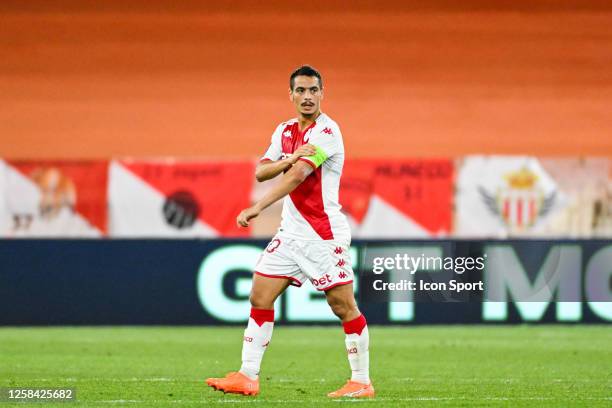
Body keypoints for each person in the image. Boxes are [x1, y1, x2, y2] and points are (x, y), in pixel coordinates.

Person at [206, 65, 374, 398]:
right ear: (291, 95)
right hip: (290, 235)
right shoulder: (283, 131)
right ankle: (247, 375)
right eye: (301, 91)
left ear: (322, 94)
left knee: (343, 307)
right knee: (260, 295)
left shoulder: (327, 132)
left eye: (313, 90)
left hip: (323, 236)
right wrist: (286, 158)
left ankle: (361, 380)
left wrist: (257, 207)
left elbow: (298, 175)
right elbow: (261, 171)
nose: (307, 97)